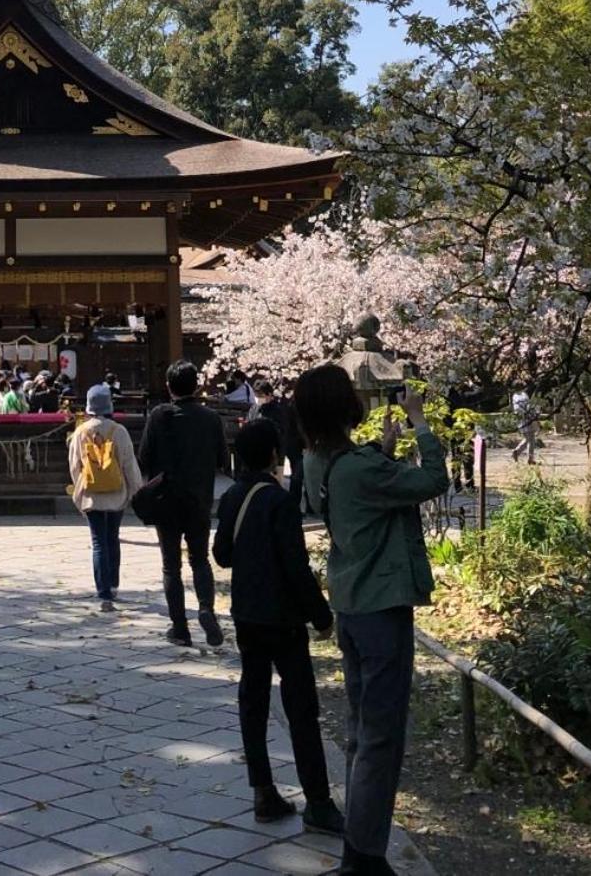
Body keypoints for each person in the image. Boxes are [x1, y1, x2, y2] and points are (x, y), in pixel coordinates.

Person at [297, 364, 449, 876]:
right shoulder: (360, 467)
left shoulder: (318, 461)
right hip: (382, 607)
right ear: (347, 407)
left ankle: (358, 846)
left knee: (362, 729)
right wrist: (419, 422)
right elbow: (434, 480)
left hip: (349, 604)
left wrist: (383, 448)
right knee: (381, 736)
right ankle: (363, 857)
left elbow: (355, 491)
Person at [214, 419, 346, 832]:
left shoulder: (234, 496)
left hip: (247, 615)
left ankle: (263, 792)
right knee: (301, 709)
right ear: (274, 455)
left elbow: (221, 555)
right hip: (284, 618)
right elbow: (296, 567)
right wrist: (322, 615)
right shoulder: (280, 502)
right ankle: (318, 802)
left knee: (252, 704)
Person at [138, 359, 230, 647]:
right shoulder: (210, 418)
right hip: (198, 498)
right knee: (200, 559)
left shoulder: (158, 416)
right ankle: (206, 609)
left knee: (171, 565)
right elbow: (221, 460)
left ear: (168, 386)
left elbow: (144, 458)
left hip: (166, 499)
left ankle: (180, 627)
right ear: (198, 385)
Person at [68, 383, 144, 611]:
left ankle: (102, 593)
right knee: (113, 538)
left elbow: (74, 466)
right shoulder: (118, 431)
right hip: (116, 493)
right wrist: (135, 489)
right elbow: (129, 464)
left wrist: (79, 488)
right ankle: (114, 585)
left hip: (92, 495)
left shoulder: (80, 432)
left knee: (98, 542)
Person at [247, 378, 305, 508]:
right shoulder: (254, 409)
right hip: (257, 451)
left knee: (275, 483)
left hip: (275, 452)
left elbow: (282, 432)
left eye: (260, 395)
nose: (258, 398)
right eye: (256, 395)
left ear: (269, 395)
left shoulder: (278, 410)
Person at [510, 389, 539, 465]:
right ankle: (530, 459)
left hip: (523, 418)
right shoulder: (523, 395)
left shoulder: (516, 396)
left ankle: (517, 452)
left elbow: (517, 409)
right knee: (531, 439)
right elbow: (527, 406)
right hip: (526, 418)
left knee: (528, 439)